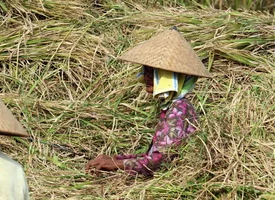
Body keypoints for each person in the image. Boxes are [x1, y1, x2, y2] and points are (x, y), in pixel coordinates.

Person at [86, 27, 212, 175]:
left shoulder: (180, 108)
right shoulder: (172, 106)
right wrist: (116, 158)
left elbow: (158, 161)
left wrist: (116, 164)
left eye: (153, 72)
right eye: (145, 70)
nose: (146, 76)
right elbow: (152, 155)